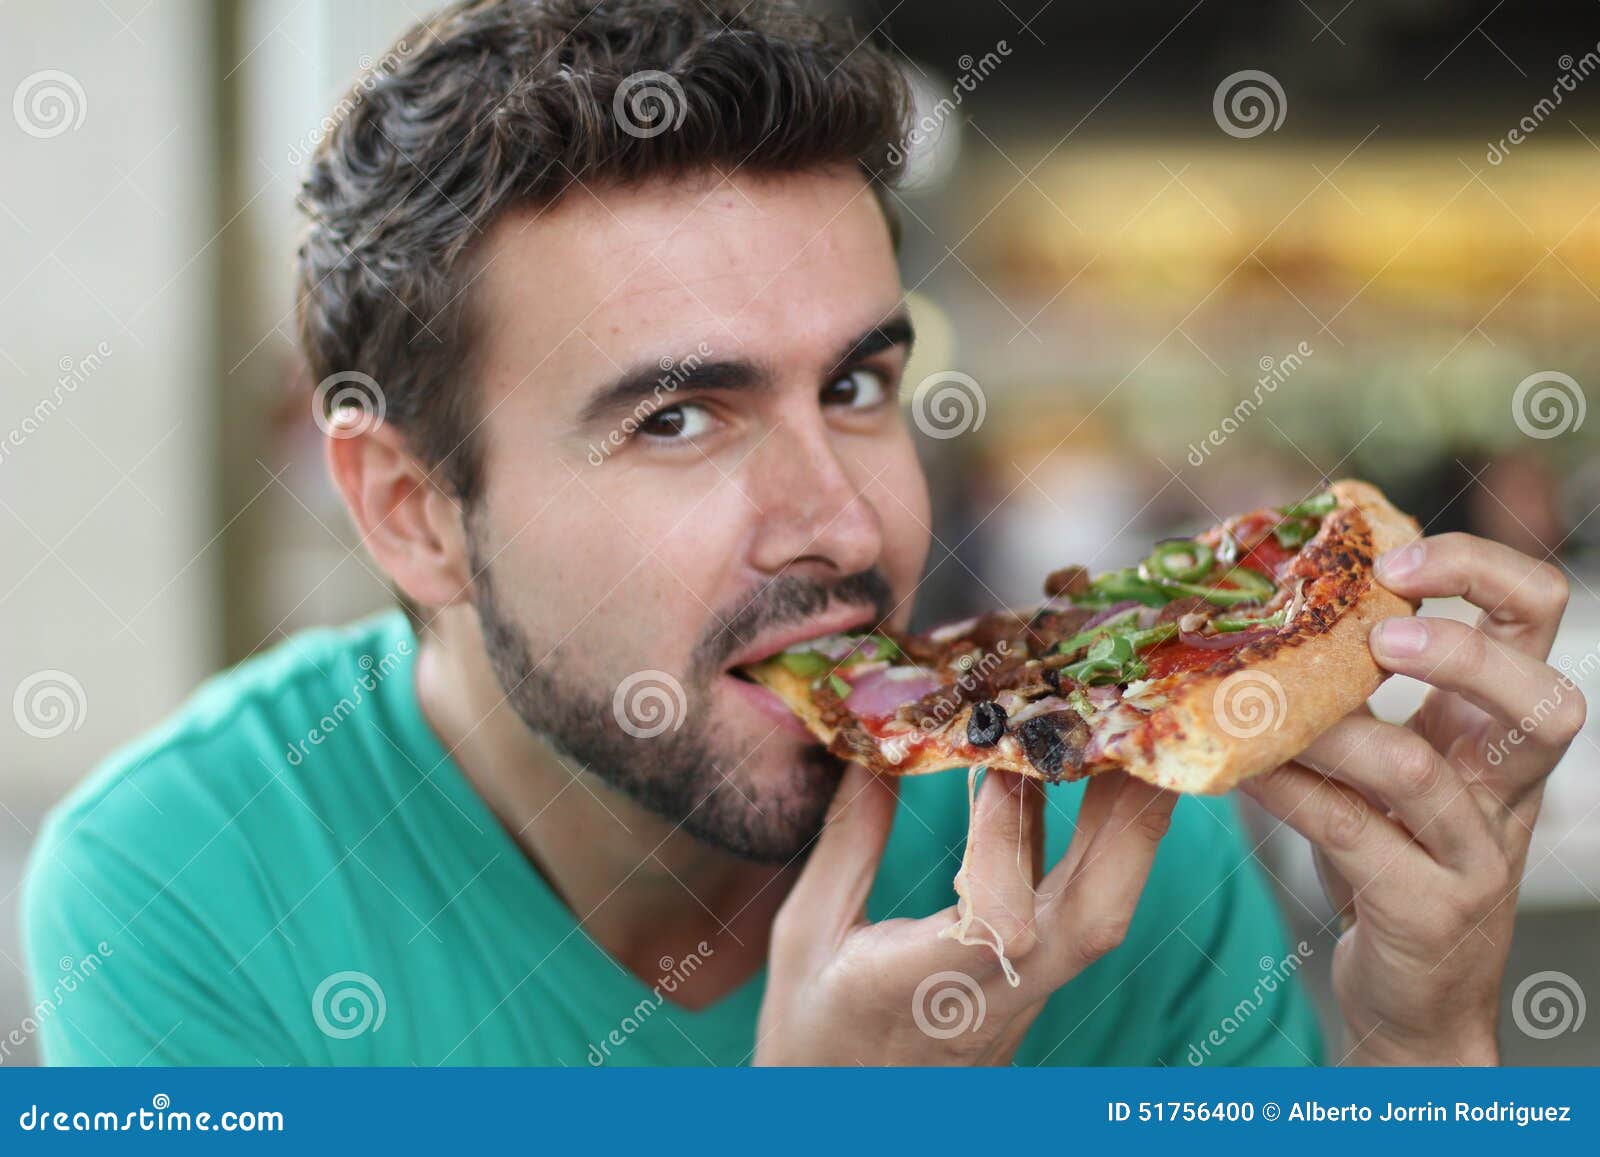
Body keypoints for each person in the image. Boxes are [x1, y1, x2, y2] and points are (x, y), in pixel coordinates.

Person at [24, 0, 1580, 1067]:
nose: (841, 519)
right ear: (411, 510)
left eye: (854, 386)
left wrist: (1420, 1046)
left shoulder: (1112, 809)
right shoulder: (184, 888)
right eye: (677, 419)